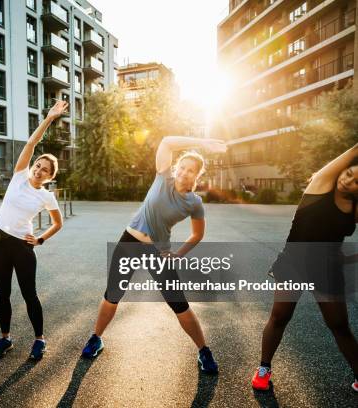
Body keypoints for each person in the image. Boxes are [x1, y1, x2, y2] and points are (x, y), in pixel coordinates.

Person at [81, 136, 227, 375]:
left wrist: (178, 254)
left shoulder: (195, 203)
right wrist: (202, 143)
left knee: (179, 304)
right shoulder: (163, 176)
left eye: (191, 171)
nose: (184, 173)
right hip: (129, 241)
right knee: (112, 295)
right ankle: (96, 338)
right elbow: (167, 141)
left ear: (197, 176)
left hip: (159, 251)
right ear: (176, 167)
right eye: (182, 167)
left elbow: (197, 234)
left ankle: (204, 351)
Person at [252, 145, 358, 392]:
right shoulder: (320, 185)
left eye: (355, 182)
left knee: (340, 326)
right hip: (294, 264)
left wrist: (347, 258)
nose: (347, 180)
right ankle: (264, 368)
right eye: (349, 173)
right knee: (280, 317)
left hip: (327, 269)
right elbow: (354, 151)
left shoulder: (354, 209)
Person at [0, 100, 67, 361]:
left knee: (29, 294)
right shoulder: (20, 175)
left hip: (23, 246)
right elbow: (31, 144)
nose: (39, 169)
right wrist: (49, 118)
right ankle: (5, 338)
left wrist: (41, 239)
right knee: (2, 294)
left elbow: (58, 223)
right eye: (38, 165)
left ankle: (39, 339)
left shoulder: (47, 197)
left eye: (45, 170)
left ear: (49, 177)